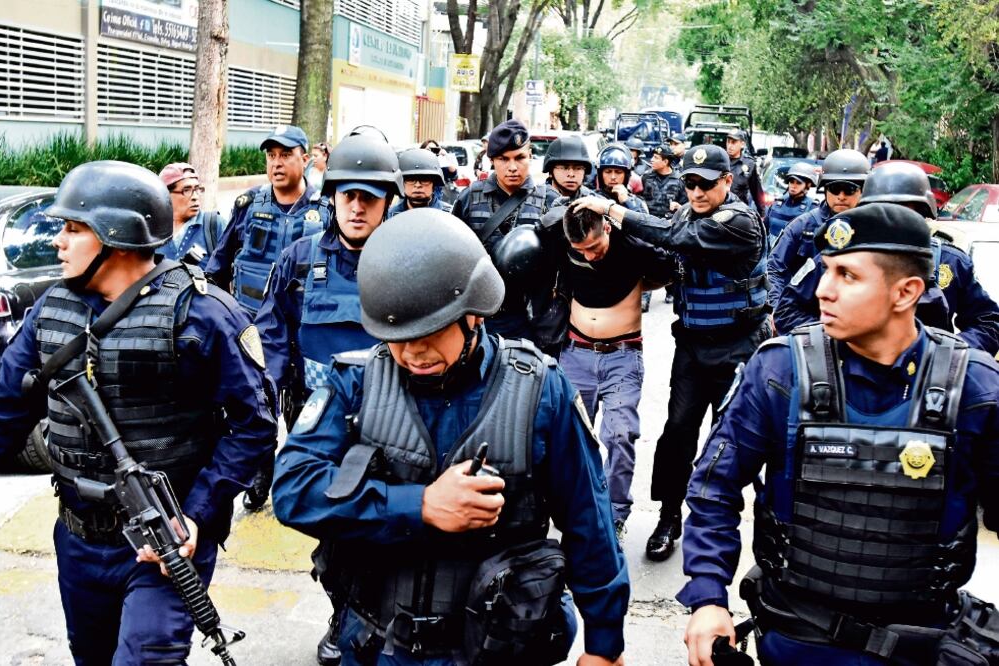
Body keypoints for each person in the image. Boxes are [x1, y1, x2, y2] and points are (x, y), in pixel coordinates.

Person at [271, 208, 629, 666]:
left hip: (500, 647)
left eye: (430, 330)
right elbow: (294, 490)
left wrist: (605, 644)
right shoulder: (355, 383)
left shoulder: (540, 391)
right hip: (379, 646)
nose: (413, 351)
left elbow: (589, 524)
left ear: (474, 314)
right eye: (397, 335)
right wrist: (418, 505)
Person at [679, 203, 999, 666]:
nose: (823, 290)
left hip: (920, 647)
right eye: (826, 270)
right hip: (794, 638)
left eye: (847, 275)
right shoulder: (780, 371)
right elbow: (714, 488)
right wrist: (708, 598)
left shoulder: (975, 388)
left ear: (906, 292)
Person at [0, 160, 278, 664]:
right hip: (81, 538)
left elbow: (254, 423)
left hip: (166, 543)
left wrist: (197, 514)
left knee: (146, 657)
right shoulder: (51, 309)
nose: (58, 242)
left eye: (73, 228)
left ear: (117, 236)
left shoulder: (204, 313)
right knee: (93, 656)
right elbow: (4, 408)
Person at [572, 144, 769, 563]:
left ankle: (748, 528)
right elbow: (662, 256)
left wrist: (613, 210)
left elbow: (675, 238)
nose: (697, 192)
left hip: (737, 347)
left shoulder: (739, 221)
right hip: (693, 347)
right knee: (677, 432)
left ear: (728, 181)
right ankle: (668, 517)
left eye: (706, 184)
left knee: (734, 439)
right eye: (690, 184)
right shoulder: (684, 213)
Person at [255, 133, 402, 666]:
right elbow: (273, 336)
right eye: (348, 196)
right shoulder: (299, 259)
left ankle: (377, 620)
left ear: (388, 201)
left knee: (389, 528)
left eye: (370, 197)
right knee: (334, 536)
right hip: (320, 428)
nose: (358, 208)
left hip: (397, 425)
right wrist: (263, 400)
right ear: (333, 196)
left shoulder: (411, 256)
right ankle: (347, 610)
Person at [774, 162, 999, 353]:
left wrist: (948, 355)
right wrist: (839, 341)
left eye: (905, 212)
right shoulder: (842, 259)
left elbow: (988, 322)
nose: (895, 222)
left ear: (925, 214)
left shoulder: (950, 262)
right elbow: (786, 311)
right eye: (884, 212)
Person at [557, 205, 675, 540]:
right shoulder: (563, 243)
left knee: (621, 435)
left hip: (621, 357)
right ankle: (574, 511)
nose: (590, 256)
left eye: (594, 247)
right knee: (569, 437)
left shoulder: (632, 246)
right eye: (581, 251)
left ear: (606, 229)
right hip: (576, 355)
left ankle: (616, 514)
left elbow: (670, 258)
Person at [203, 124, 332, 315]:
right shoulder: (248, 205)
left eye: (285, 155)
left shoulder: (325, 210)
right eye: (271, 155)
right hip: (250, 323)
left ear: (305, 160)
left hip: (303, 326)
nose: (276, 163)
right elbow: (218, 267)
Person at [451, 119, 549, 341]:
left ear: (530, 156)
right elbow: (452, 256)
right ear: (492, 160)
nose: (512, 167)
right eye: (503, 159)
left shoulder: (548, 201)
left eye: (519, 158)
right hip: (480, 317)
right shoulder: (469, 198)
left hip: (530, 320)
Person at [767, 148, 869, 308]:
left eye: (849, 190)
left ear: (862, 190)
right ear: (825, 189)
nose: (841, 196)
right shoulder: (802, 225)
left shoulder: (872, 227)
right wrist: (776, 307)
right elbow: (774, 268)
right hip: (804, 313)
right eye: (835, 189)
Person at [156, 162, 228, 267]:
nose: (195, 196)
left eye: (197, 189)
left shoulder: (214, 224)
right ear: (166, 194)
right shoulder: (152, 231)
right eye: (186, 190)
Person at [762, 161, 817, 248]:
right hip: (771, 255)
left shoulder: (813, 208)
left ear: (808, 185)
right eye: (791, 182)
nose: (794, 186)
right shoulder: (777, 204)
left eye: (798, 183)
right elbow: (764, 231)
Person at [387, 148, 453, 217]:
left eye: (424, 179)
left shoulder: (450, 215)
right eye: (411, 179)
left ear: (434, 184)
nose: (418, 185)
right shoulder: (390, 216)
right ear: (402, 183)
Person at [594, 143, 649, 214]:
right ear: (601, 174)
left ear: (626, 175)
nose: (613, 177)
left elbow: (645, 223)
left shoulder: (638, 203)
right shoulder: (592, 199)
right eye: (608, 172)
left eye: (618, 172)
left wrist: (627, 202)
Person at [542, 135, 594, 206]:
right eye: (564, 168)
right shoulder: (532, 202)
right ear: (551, 172)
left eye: (578, 168)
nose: (571, 174)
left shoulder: (594, 201)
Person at [726, 129, 766, 215]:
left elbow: (756, 190)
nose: (729, 146)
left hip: (739, 213)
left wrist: (762, 213)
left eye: (733, 142)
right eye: (728, 142)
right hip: (719, 211)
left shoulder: (749, 164)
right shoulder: (720, 160)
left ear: (742, 144)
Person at [641, 144, 687, 219]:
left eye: (656, 158)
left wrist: (679, 207)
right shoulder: (646, 177)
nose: (651, 160)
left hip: (669, 223)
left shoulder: (679, 180)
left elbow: (686, 206)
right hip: (647, 221)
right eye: (653, 156)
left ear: (665, 162)